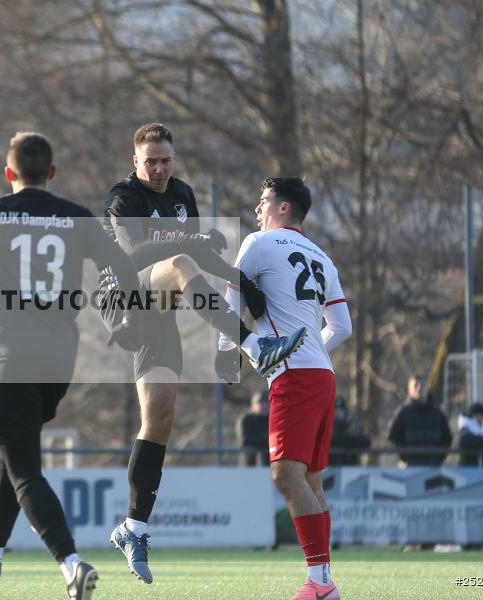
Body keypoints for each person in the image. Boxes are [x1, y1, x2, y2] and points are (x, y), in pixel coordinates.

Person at [0, 132, 141, 600]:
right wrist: (122, 314)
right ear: (53, 173)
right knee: (15, 453)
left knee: (23, 469)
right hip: (59, 359)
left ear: (8, 173)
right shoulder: (77, 218)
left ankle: (71, 563)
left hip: (9, 359)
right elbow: (122, 269)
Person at [101, 123, 306, 584]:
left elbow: (197, 255)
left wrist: (240, 280)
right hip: (124, 299)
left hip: (161, 311)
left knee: (160, 416)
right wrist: (195, 246)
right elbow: (136, 254)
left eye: (165, 160)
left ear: (174, 159)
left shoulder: (182, 195)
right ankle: (254, 348)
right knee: (179, 262)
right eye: (149, 161)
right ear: (135, 162)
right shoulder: (123, 197)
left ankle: (133, 527)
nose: (158, 168)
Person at [225, 177, 352, 600]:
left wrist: (233, 353)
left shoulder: (258, 243)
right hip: (322, 373)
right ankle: (324, 583)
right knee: (311, 481)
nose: (257, 209)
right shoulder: (323, 258)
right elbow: (343, 327)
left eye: (263, 202)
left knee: (285, 475)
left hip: (294, 375)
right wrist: (311, 344)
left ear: (283, 208)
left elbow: (229, 301)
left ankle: (318, 582)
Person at [388, 376, 452, 467]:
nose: (419, 388)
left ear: (427, 388)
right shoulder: (402, 414)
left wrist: (439, 457)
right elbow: (393, 438)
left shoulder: (438, 413)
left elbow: (447, 438)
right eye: (415, 385)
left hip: (434, 465)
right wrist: (404, 457)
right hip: (409, 466)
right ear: (409, 389)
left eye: (422, 385)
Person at [329, 395, 371, 466]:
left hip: (350, 465)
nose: (338, 413)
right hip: (331, 464)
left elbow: (366, 442)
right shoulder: (328, 424)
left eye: (340, 410)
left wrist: (344, 440)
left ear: (345, 411)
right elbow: (328, 442)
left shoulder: (352, 423)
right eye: (336, 410)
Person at [237, 391, 270, 466]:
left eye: (266, 402)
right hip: (249, 467)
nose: (264, 405)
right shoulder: (246, 419)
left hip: (269, 467)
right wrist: (268, 440)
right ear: (253, 405)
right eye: (260, 402)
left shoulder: (273, 420)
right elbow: (246, 440)